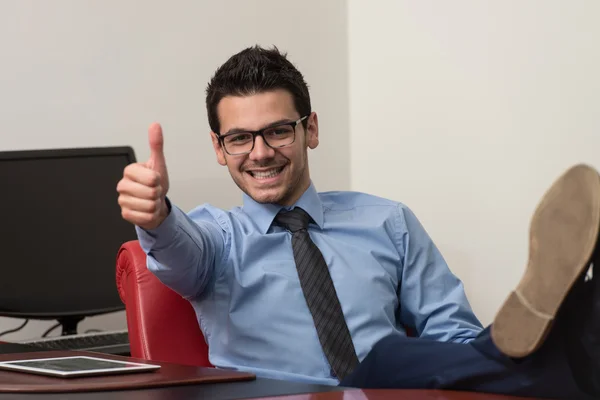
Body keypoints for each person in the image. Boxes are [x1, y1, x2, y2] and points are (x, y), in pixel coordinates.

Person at [116, 46, 599, 399]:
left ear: (311, 130)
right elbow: (179, 253)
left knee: (544, 339)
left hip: (395, 395)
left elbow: (450, 337)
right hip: (287, 397)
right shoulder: (217, 238)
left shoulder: (386, 220)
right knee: (390, 355)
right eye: (240, 138)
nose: (260, 152)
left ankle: (577, 320)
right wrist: (157, 217)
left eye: (279, 130)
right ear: (219, 150)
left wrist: (483, 362)